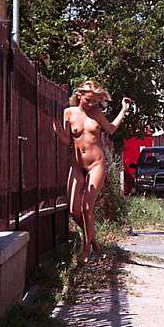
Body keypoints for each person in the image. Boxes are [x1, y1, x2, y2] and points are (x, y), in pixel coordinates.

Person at [53, 80, 132, 262]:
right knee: (74, 210)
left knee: (87, 208)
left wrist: (123, 110)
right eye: (88, 100)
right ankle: (94, 242)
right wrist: (58, 131)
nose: (91, 104)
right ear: (79, 95)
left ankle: (86, 250)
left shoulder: (97, 114)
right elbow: (66, 140)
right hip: (76, 164)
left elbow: (111, 129)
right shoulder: (68, 113)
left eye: (95, 102)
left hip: (96, 163)